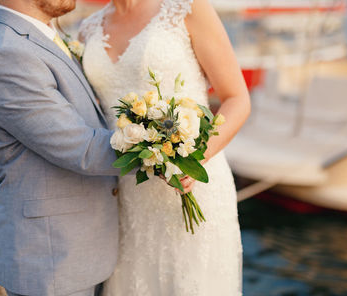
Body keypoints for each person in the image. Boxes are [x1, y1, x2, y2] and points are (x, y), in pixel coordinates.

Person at [0, 0, 150, 294]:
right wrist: (164, 152)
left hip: (78, 248)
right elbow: (83, 149)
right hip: (51, 261)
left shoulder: (42, 37)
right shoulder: (7, 54)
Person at [79, 0, 251, 295]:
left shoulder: (189, 8)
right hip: (126, 197)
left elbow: (237, 98)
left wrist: (193, 158)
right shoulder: (87, 30)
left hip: (193, 183)